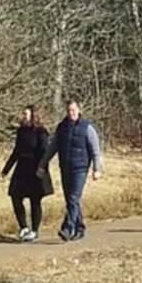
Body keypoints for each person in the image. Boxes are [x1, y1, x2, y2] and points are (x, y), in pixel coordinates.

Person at [50, 99, 103, 240]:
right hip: (65, 167)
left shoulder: (87, 128)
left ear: (79, 110)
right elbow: (53, 147)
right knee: (71, 200)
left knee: (73, 197)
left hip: (80, 168)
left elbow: (95, 150)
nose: (71, 113)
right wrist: (43, 164)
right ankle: (80, 228)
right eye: (69, 111)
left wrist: (97, 169)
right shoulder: (62, 127)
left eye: (73, 110)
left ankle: (67, 228)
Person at [0, 105, 53, 241]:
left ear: (33, 116)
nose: (23, 116)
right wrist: (6, 169)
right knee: (15, 196)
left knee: (35, 200)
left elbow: (45, 152)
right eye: (23, 114)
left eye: (25, 114)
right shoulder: (21, 131)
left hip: (35, 168)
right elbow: (16, 151)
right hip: (21, 169)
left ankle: (34, 231)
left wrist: (42, 168)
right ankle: (23, 227)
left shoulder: (41, 132)